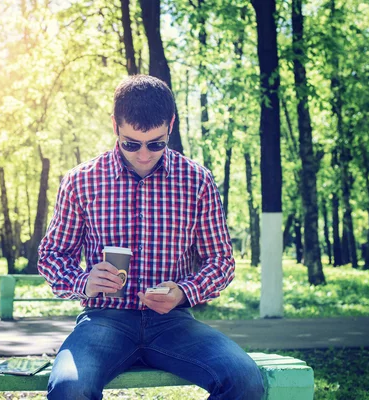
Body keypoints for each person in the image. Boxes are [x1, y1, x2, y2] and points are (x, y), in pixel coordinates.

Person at [38, 75, 264, 400]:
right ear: (115, 125)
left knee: (244, 379)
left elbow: (221, 262)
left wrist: (184, 291)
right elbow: (52, 256)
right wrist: (84, 282)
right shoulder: (80, 182)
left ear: (170, 124)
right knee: (69, 388)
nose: (144, 155)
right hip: (103, 319)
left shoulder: (198, 181)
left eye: (157, 143)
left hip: (173, 323)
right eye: (131, 143)